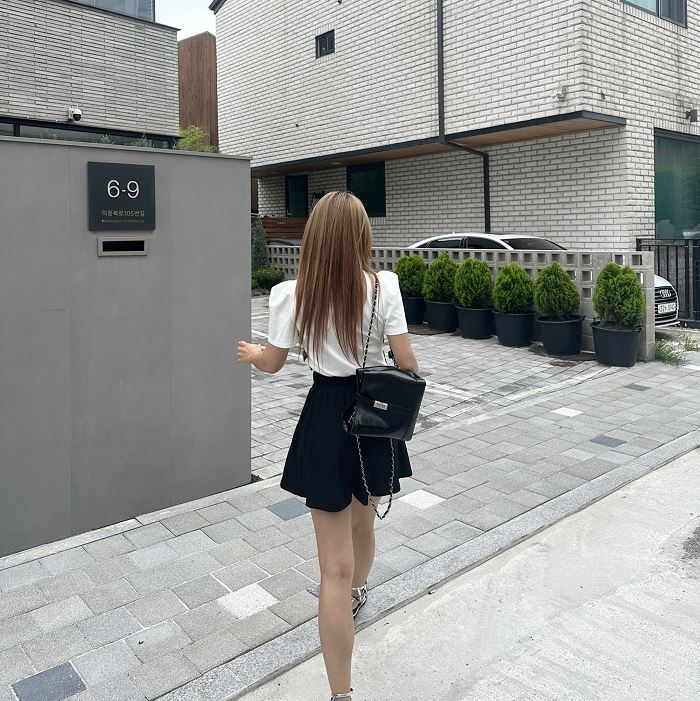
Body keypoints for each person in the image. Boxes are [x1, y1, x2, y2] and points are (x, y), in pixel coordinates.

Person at [237, 191, 419, 701]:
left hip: (323, 418)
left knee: (330, 570)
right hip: (373, 419)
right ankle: (359, 591)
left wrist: (252, 353)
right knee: (365, 521)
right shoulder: (384, 286)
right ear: (361, 234)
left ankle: (341, 694)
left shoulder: (292, 294)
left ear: (315, 237)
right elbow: (408, 364)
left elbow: (273, 363)